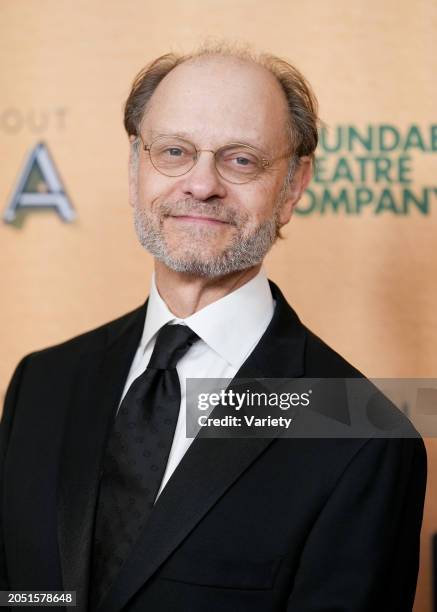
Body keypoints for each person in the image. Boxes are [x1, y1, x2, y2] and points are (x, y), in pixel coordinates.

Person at [0, 44, 427, 612]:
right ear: (135, 169)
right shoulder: (44, 381)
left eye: (241, 159)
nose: (201, 185)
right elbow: (27, 595)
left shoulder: (362, 435)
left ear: (294, 185)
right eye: (174, 151)